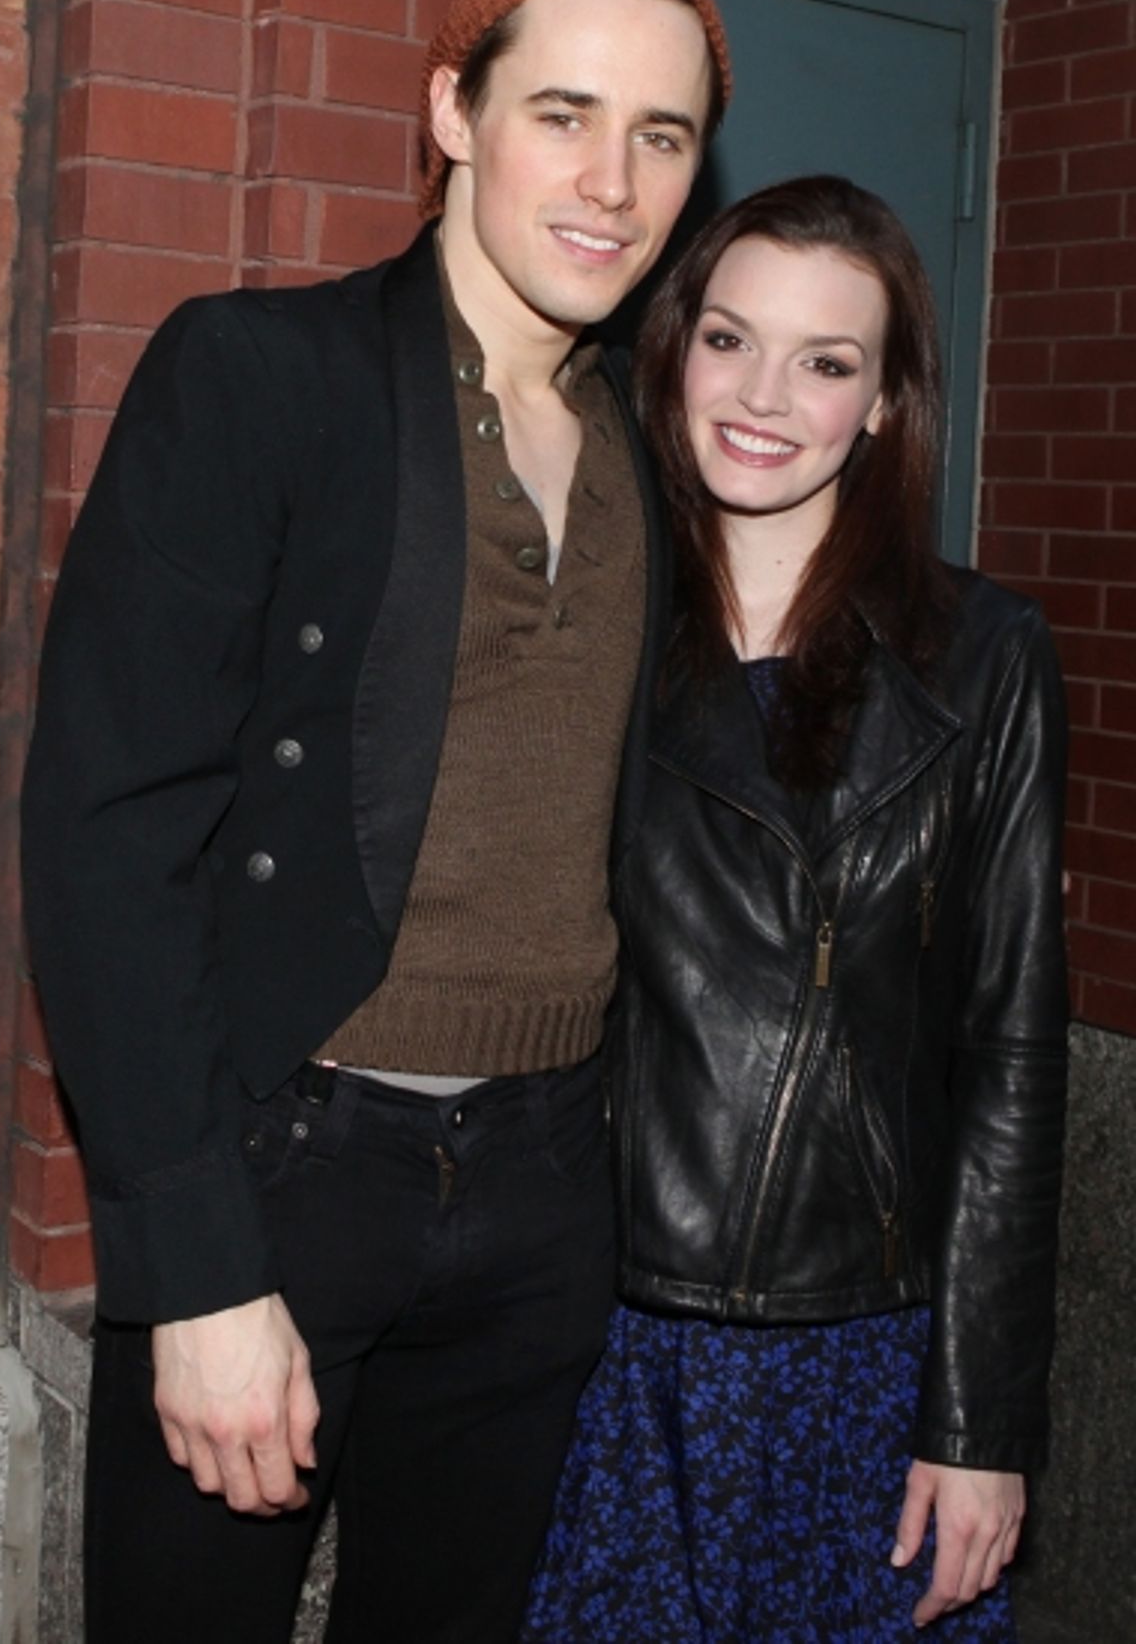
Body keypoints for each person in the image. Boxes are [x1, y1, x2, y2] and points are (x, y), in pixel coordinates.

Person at [20, 0, 731, 1644]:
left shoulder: (665, 449)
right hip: (289, 1155)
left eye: (663, 134)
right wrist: (195, 1269)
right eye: (562, 113)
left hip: (551, 1182)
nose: (612, 181)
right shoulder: (263, 380)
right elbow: (108, 833)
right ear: (451, 115)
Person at [523, 175, 1069, 1643]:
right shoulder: (583, 628)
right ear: (671, 353)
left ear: (887, 401)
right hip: (594, 1340)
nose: (764, 397)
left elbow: (1012, 1061)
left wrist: (981, 1417)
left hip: (859, 1361)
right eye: (728, 340)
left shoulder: (982, 659)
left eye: (827, 363)